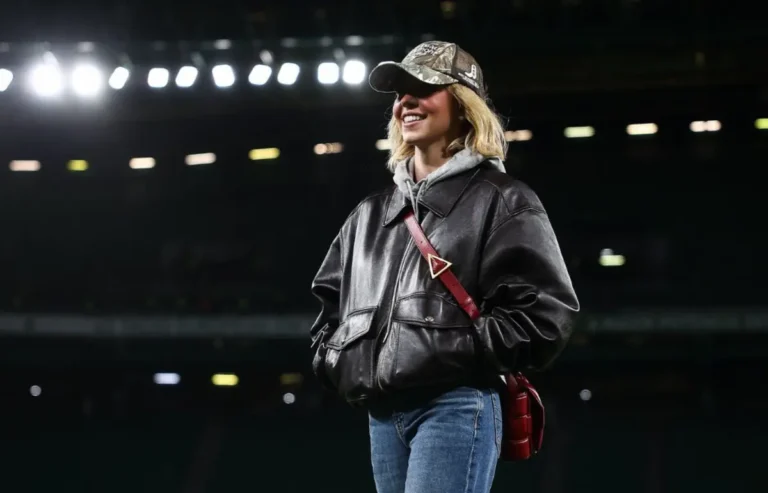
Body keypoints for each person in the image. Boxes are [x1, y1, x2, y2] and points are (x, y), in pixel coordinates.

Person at [310, 41, 579, 493]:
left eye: (423, 88)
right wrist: (341, 362)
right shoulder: (368, 215)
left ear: (463, 104)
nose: (406, 102)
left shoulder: (504, 200)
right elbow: (327, 314)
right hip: (382, 414)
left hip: (455, 404)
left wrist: (450, 355)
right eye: (400, 93)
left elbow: (545, 317)